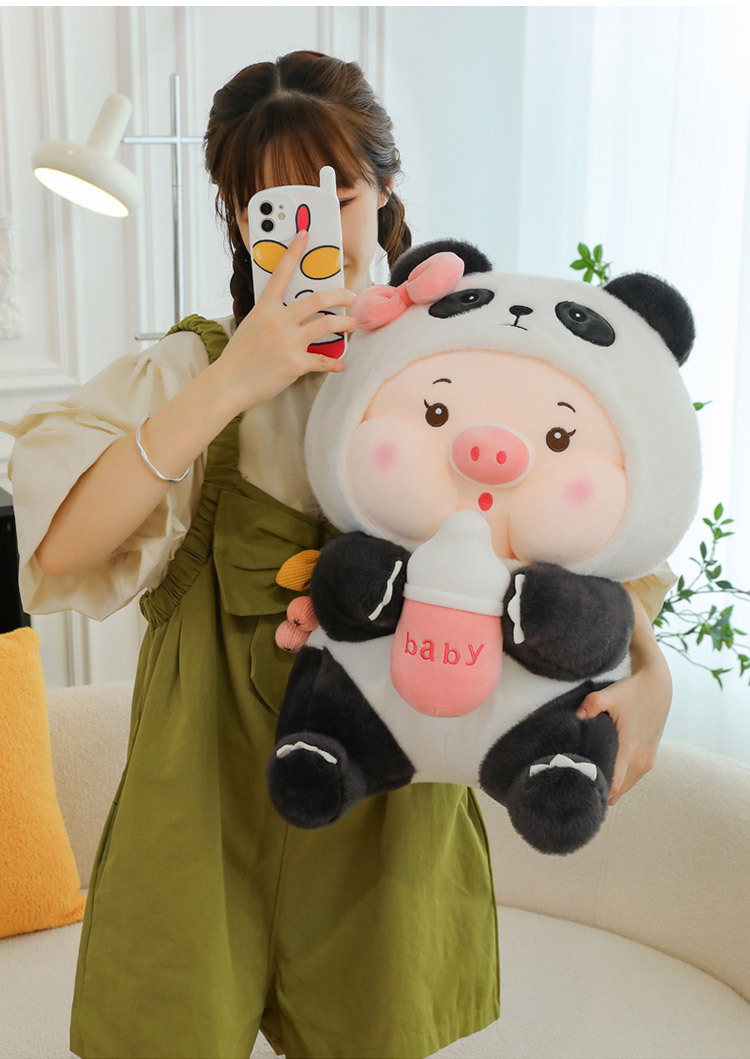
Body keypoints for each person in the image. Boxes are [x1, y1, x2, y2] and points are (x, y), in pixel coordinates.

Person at [0, 50, 675, 1059]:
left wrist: (652, 676)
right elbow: (60, 547)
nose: (305, 227)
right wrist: (232, 383)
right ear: (237, 219)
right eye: (265, 205)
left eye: (336, 195)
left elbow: (584, 548)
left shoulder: (459, 367)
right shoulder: (190, 371)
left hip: (390, 803)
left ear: (385, 190)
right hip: (202, 801)